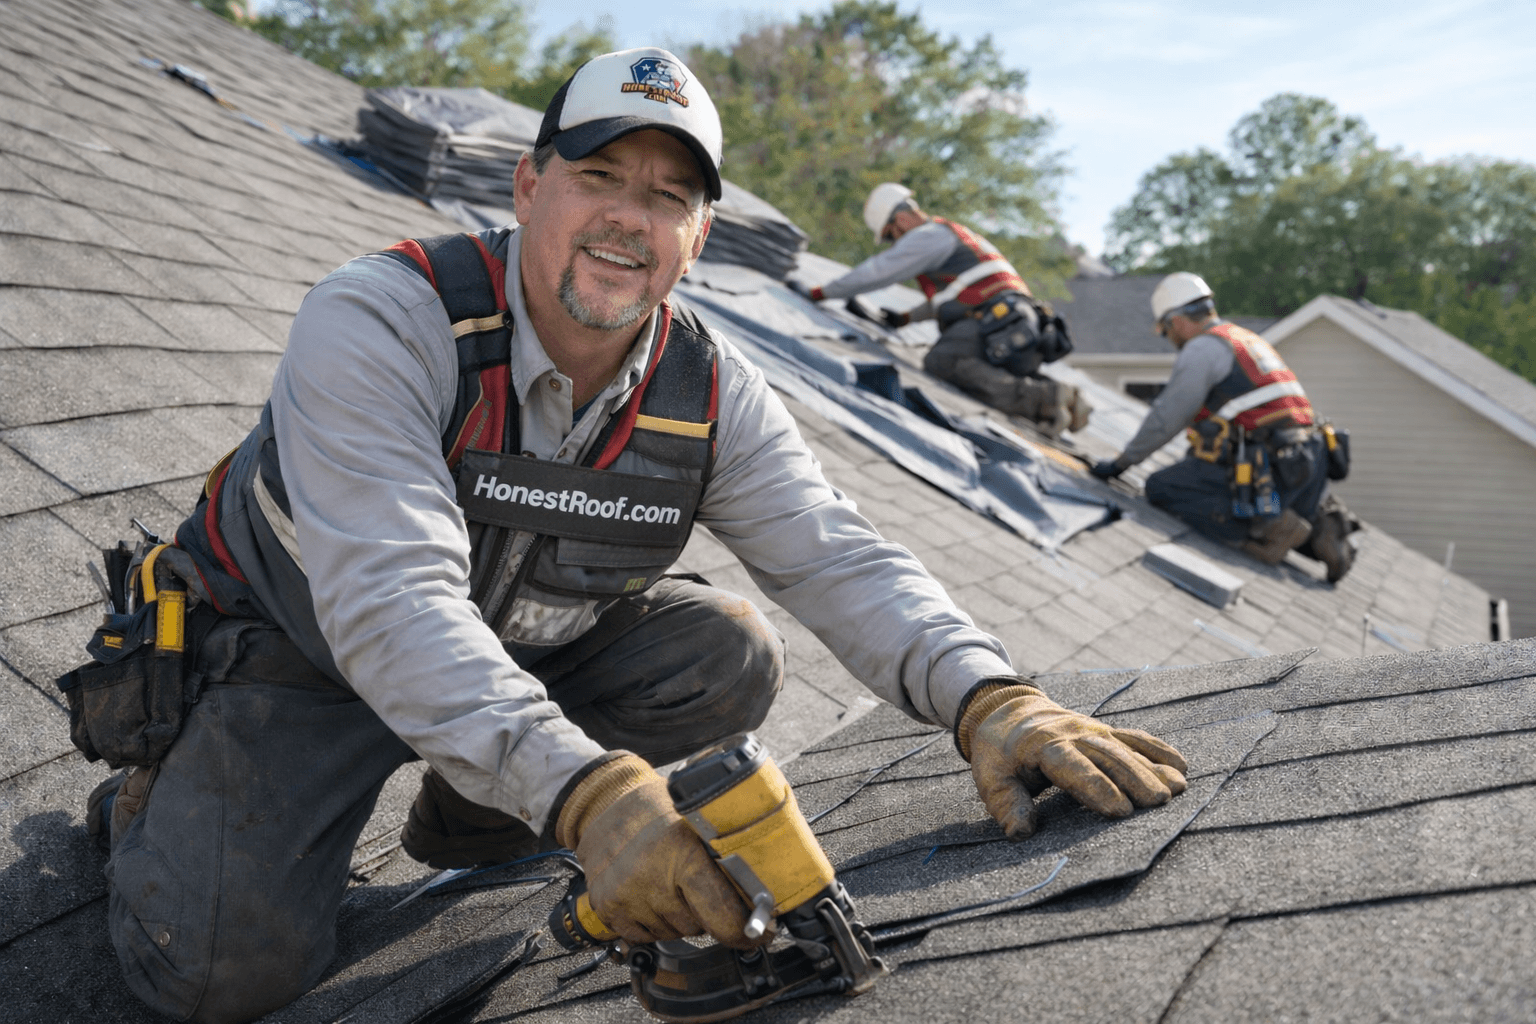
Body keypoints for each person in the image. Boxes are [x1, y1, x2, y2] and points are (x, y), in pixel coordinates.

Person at [79, 48, 1188, 1024]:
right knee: (211, 977)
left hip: (511, 654)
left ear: (698, 236)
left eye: (668, 196)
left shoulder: (710, 391)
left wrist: (992, 697)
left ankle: (474, 821)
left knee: (726, 649)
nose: (629, 218)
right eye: (600, 176)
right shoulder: (387, 317)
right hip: (300, 657)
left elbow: (836, 554)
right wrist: (595, 798)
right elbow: (392, 600)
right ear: (529, 185)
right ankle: (158, 805)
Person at [1091, 272, 1357, 581]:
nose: (1170, 339)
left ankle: (1270, 527)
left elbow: (1166, 418)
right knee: (1251, 497)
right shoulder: (1244, 339)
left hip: (1271, 474)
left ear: (1176, 322)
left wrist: (1121, 463)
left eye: (1166, 331)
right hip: (1308, 469)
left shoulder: (1203, 349)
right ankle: (1322, 529)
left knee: (1164, 488)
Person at [795, 184, 1090, 435]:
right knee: (989, 369)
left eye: (890, 235)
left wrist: (820, 293)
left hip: (996, 325)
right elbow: (954, 297)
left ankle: (1045, 400)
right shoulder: (952, 234)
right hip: (1019, 330)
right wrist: (906, 318)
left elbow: (878, 272)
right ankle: (1068, 400)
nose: (893, 244)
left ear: (901, 220)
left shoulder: (927, 236)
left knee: (944, 361)